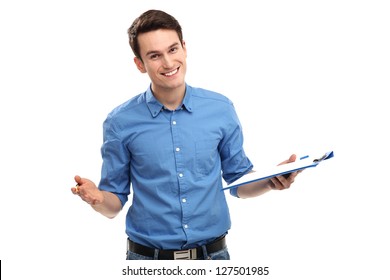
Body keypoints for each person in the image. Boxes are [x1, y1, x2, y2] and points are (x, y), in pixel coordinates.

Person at [71, 9, 300, 260]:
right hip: (148, 262)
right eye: (155, 56)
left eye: (173, 50)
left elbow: (238, 181)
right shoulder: (120, 122)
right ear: (140, 64)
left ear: (184, 48)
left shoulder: (221, 109)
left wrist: (271, 180)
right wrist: (97, 198)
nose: (168, 63)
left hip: (213, 258)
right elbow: (113, 203)